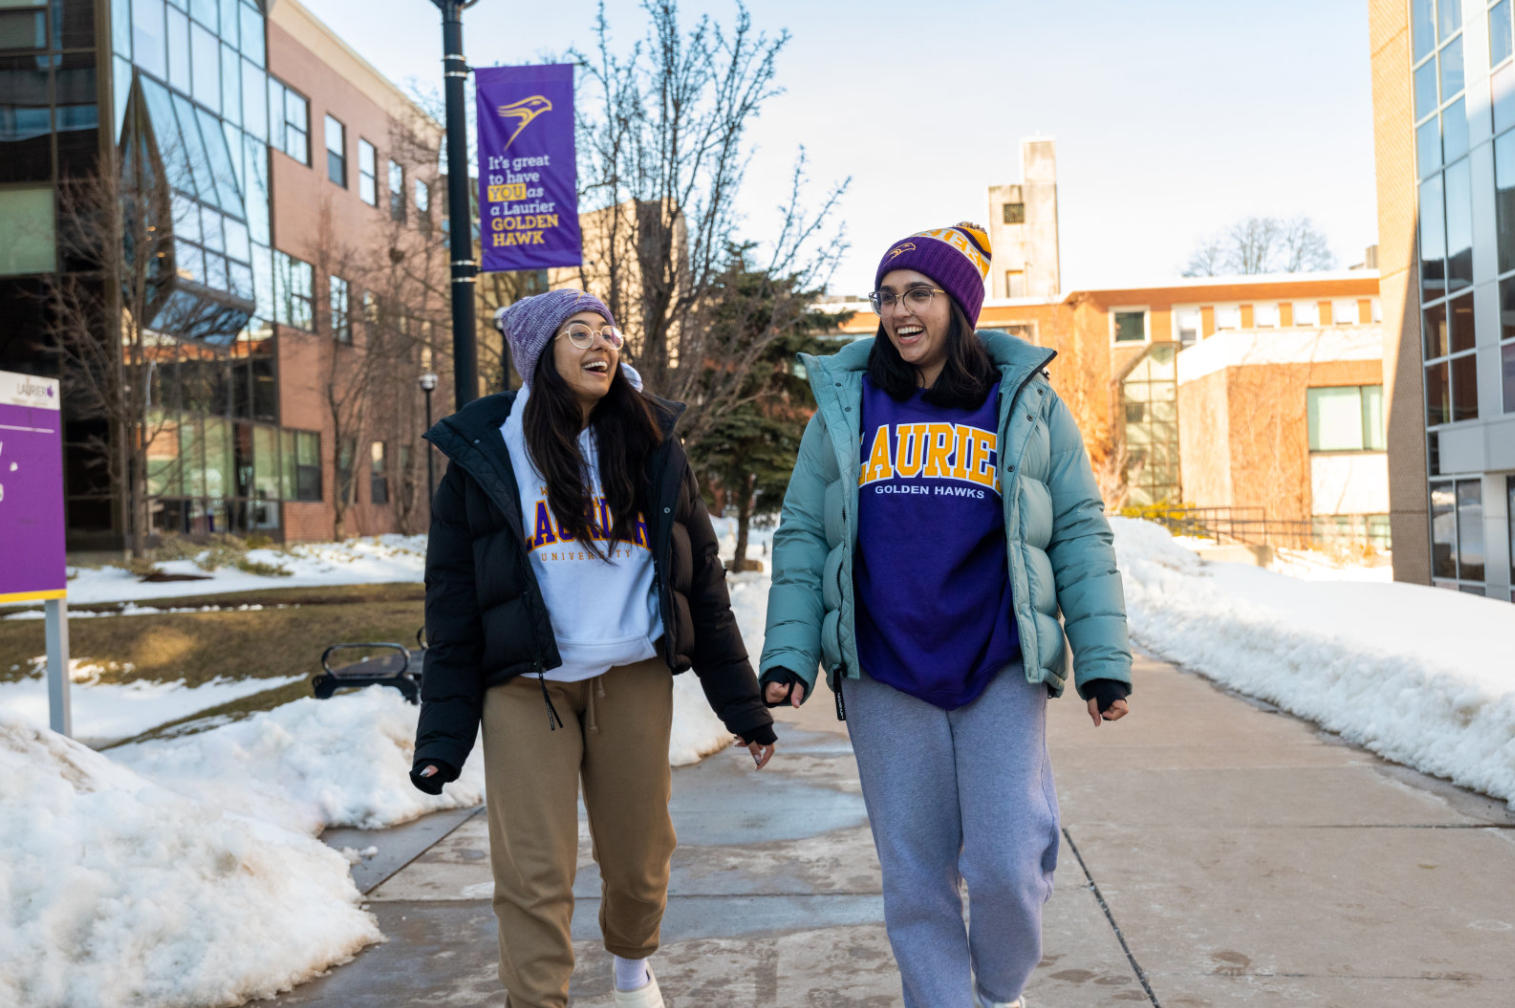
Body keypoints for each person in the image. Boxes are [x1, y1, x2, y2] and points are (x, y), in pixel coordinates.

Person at [759, 223, 1133, 1008]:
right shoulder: (846, 406)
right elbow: (803, 531)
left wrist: (1100, 658)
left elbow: (1075, 528)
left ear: (957, 307)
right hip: (884, 666)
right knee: (916, 876)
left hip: (995, 659)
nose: (900, 311)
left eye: (919, 294)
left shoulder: (1023, 402)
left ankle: (999, 991)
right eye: (887, 297)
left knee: (1005, 861)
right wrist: (790, 654)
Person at [409, 288, 777, 1008]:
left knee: (640, 864)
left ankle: (633, 967)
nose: (599, 343)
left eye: (608, 331)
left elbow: (701, 583)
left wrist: (745, 708)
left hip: (631, 676)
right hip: (524, 687)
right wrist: (442, 738)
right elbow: (452, 607)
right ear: (539, 355)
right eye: (577, 332)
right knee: (533, 873)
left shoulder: (651, 445)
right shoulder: (487, 455)